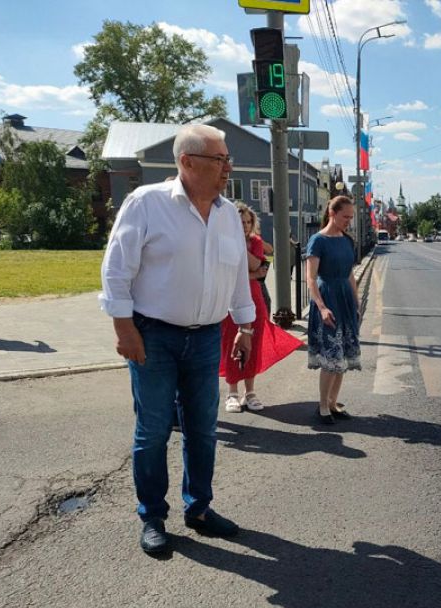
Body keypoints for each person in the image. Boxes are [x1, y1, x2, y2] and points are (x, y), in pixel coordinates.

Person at [100, 124, 254, 555]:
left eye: (228, 159)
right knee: (152, 431)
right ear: (186, 162)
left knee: (203, 430)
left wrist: (245, 325)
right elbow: (116, 270)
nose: (227, 168)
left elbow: (237, 272)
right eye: (219, 159)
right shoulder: (146, 204)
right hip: (154, 337)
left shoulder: (226, 213)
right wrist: (123, 328)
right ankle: (152, 516)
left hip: (206, 337)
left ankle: (199, 508)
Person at [220, 203, 302, 412]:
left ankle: (250, 392)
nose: (246, 226)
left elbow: (257, 267)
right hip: (229, 301)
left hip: (254, 300)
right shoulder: (223, 241)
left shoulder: (255, 242)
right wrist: (247, 270)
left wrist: (243, 263)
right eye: (241, 223)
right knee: (231, 345)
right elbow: (223, 271)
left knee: (252, 345)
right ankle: (232, 393)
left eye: (248, 222)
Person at [305, 196, 361, 424]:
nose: (349, 221)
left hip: (345, 299)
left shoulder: (347, 240)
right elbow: (310, 279)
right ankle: (322, 406)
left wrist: (356, 303)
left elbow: (349, 274)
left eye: (351, 217)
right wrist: (322, 308)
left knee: (343, 357)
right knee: (331, 355)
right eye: (345, 216)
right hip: (327, 297)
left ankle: (332, 402)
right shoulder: (317, 240)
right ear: (332, 213)